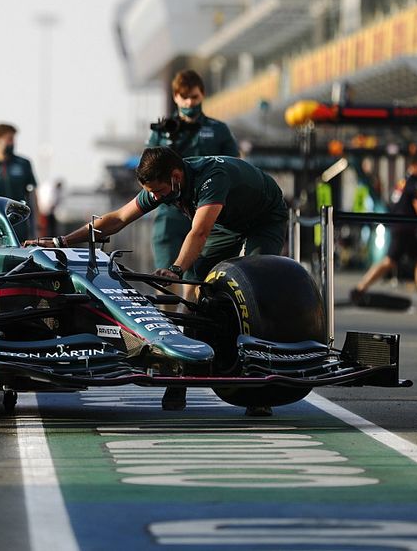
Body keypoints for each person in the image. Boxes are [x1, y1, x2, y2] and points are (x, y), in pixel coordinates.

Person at [27, 146, 288, 417]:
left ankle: (260, 385)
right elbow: (117, 219)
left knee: (256, 285)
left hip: (263, 219)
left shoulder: (213, 177)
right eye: (151, 192)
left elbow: (199, 232)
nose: (155, 197)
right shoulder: (162, 183)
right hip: (226, 224)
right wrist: (62, 241)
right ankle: (181, 374)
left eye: (159, 192)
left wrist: (176, 269)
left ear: (176, 177)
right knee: (197, 294)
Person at [147, 69, 238, 275]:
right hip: (169, 213)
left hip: (208, 209)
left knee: (200, 277)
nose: (189, 103)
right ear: (175, 97)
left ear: (203, 95)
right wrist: (169, 139)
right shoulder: (161, 131)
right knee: (163, 276)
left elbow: (235, 165)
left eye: (194, 97)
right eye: (184, 97)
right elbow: (147, 171)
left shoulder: (218, 129)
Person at [350, 154, 417, 312]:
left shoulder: (403, 180)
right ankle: (359, 289)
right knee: (390, 262)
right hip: (405, 228)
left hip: (401, 227)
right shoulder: (415, 181)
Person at [0, 123, 41, 241]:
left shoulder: (24, 164)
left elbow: (33, 195)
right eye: (9, 139)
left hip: (19, 226)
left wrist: (37, 225)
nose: (12, 143)